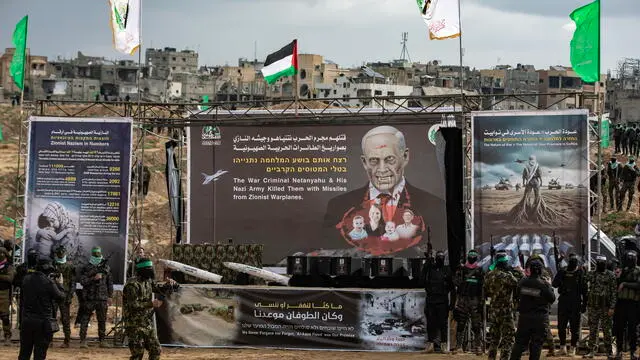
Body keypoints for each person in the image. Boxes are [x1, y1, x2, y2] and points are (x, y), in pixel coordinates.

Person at [323, 125, 446, 251]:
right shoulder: (338, 206)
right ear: (364, 162)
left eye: (390, 159)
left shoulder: (435, 207)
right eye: (374, 160)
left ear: (405, 157)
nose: (382, 169)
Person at [509, 258, 556, 360]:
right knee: (536, 346)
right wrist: (549, 285)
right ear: (540, 270)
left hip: (524, 318)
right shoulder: (544, 285)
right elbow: (552, 298)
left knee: (519, 344)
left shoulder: (522, 282)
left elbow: (517, 294)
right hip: (540, 320)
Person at [18, 258, 65, 360]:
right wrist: (60, 284)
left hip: (26, 321)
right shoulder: (48, 283)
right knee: (40, 354)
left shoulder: (26, 279)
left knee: (24, 353)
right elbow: (61, 298)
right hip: (42, 323)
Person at [123, 257, 169, 360]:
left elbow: (158, 288)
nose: (151, 271)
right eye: (149, 269)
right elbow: (132, 305)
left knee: (156, 349)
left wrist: (169, 285)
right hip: (134, 324)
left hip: (146, 322)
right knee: (138, 354)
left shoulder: (148, 281)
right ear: (142, 270)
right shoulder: (132, 285)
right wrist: (151, 304)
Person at [484, 251, 519, 360]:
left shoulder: (489, 275)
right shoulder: (507, 276)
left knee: (494, 338)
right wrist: (514, 271)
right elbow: (517, 283)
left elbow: (486, 291)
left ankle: (491, 358)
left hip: (493, 310)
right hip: (505, 312)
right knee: (508, 338)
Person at [551, 253, 587, 356]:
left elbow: (584, 290)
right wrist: (560, 276)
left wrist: (584, 304)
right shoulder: (563, 271)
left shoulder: (580, 273)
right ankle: (562, 347)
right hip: (564, 302)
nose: (573, 265)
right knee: (561, 326)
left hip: (576, 303)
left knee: (574, 327)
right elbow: (554, 284)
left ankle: (573, 348)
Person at [79, 246, 113, 348]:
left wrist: (110, 296)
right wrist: (94, 278)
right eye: (95, 253)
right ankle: (82, 341)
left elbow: (109, 283)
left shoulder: (106, 267)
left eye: (98, 253)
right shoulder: (87, 267)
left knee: (102, 320)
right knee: (85, 319)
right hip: (89, 297)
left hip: (102, 298)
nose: (97, 254)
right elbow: (82, 281)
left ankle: (102, 340)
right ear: (92, 253)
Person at [584, 255, 617, 358]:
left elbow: (614, 292)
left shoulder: (610, 275)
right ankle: (591, 351)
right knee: (593, 329)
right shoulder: (591, 274)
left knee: (607, 330)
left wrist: (612, 307)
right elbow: (582, 280)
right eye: (598, 263)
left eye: (602, 263)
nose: (600, 265)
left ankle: (609, 352)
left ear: (605, 264)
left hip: (605, 307)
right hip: (593, 307)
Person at [422, 250, 455, 353]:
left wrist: (452, 304)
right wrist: (428, 261)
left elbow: (452, 288)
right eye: (439, 257)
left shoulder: (446, 270)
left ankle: (443, 345)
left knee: (443, 324)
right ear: (436, 258)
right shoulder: (430, 269)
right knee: (430, 324)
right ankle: (430, 345)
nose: (440, 258)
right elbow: (422, 279)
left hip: (442, 302)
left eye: (442, 257)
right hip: (431, 301)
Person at [453, 250, 484, 354]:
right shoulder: (462, 269)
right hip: (463, 299)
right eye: (470, 256)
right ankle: (458, 346)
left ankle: (478, 346)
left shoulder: (479, 270)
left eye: (473, 256)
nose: (472, 258)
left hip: (475, 299)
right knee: (461, 324)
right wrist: (459, 272)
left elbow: (482, 288)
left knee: (476, 325)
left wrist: (481, 302)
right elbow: (456, 282)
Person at [613, 250, 640, 360]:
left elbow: (638, 285)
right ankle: (619, 352)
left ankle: (632, 352)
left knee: (632, 329)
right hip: (621, 304)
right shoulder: (623, 270)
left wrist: (625, 283)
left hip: (633, 304)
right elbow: (617, 284)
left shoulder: (638, 270)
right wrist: (618, 277)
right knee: (619, 328)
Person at [52, 245, 76, 347]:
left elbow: (73, 283)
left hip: (64, 295)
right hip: (55, 294)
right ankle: (50, 339)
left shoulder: (70, 266)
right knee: (52, 317)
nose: (61, 254)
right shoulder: (53, 264)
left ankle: (67, 340)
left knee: (65, 318)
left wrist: (70, 295)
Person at [13, 249, 39, 329]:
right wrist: (24, 283)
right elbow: (15, 281)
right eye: (32, 256)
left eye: (35, 256)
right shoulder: (22, 267)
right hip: (25, 293)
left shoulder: (40, 268)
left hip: (37, 294)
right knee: (23, 311)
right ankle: (22, 326)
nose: (34, 258)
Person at [0, 248, 15, 345]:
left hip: (4, 293)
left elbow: (10, 278)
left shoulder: (8, 267)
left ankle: (7, 336)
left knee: (5, 316)